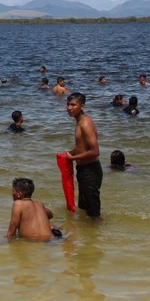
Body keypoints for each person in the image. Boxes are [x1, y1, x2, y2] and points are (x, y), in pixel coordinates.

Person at [65, 92, 101, 220]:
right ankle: (85, 232)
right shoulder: (79, 121)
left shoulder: (85, 123)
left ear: (82, 106)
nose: (69, 108)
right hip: (83, 169)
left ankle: (98, 231)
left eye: (73, 105)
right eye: (68, 104)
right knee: (83, 208)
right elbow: (82, 148)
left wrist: (73, 158)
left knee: (93, 214)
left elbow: (95, 151)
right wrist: (71, 153)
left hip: (90, 171)